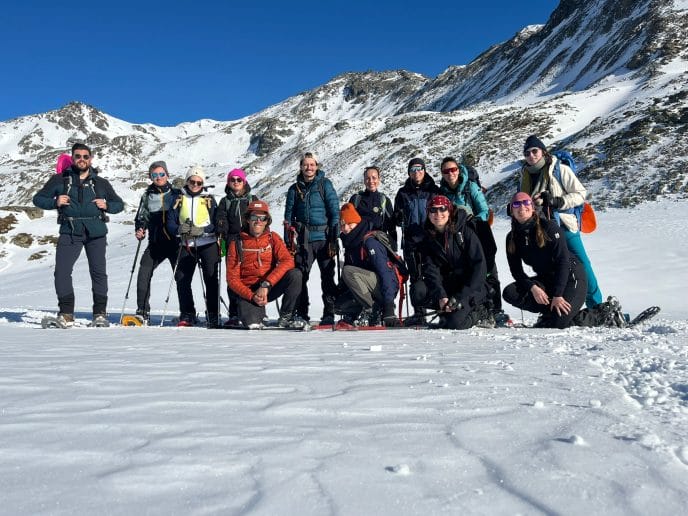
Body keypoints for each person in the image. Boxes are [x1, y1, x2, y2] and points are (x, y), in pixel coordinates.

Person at [32, 143, 124, 327]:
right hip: (70, 230)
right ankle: (66, 314)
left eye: (85, 156)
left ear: (91, 159)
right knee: (62, 272)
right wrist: (55, 202)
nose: (81, 159)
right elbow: (38, 199)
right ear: (72, 158)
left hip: (96, 232)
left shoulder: (101, 183)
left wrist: (107, 206)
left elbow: (119, 204)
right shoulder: (60, 180)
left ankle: (100, 314)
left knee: (98, 273)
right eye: (78, 156)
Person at [519, 135, 602, 308]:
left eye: (535, 151)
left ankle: (597, 307)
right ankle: (564, 308)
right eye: (527, 153)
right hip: (542, 231)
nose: (531, 156)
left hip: (564, 225)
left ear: (543, 151)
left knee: (582, 264)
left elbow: (580, 194)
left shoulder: (559, 170)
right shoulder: (525, 175)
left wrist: (557, 201)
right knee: (556, 270)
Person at [502, 192, 587, 328]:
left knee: (559, 323)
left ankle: (600, 314)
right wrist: (532, 287)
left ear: (533, 207)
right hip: (547, 280)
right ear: (511, 209)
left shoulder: (549, 227)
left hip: (571, 277)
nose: (522, 207)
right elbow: (516, 271)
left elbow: (563, 262)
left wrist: (558, 295)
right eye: (516, 204)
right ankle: (550, 313)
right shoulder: (512, 237)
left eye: (526, 202)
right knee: (510, 292)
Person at [438, 156, 505, 322]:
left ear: (458, 170)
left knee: (488, 269)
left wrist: (470, 221)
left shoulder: (471, 187)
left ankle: (496, 309)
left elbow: (484, 210)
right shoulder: (443, 192)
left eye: (453, 169)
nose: (450, 173)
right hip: (458, 238)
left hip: (478, 233)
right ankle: (477, 306)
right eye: (446, 171)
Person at [411, 195, 490, 329]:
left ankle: (480, 312)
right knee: (418, 290)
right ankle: (448, 310)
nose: (438, 214)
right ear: (428, 213)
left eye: (442, 209)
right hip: (449, 286)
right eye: (433, 210)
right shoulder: (428, 237)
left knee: (455, 323)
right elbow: (431, 270)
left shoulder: (465, 232)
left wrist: (460, 296)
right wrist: (441, 296)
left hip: (470, 287)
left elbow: (479, 268)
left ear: (449, 211)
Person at [226, 200, 304, 329]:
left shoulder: (272, 238)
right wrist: (252, 296)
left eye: (262, 218)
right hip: (249, 291)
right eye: (254, 217)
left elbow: (288, 261)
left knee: (295, 274)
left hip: (269, 287)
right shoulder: (236, 243)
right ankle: (255, 314)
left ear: (267, 221)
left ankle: (286, 317)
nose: (258, 221)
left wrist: (266, 284)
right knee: (253, 324)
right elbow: (232, 279)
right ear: (247, 220)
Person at [283, 152, 340, 325]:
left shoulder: (325, 184)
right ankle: (302, 313)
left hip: (324, 237)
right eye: (305, 164)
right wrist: (288, 239)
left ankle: (329, 313)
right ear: (301, 166)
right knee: (301, 276)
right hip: (303, 240)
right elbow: (288, 216)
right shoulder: (294, 189)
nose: (309, 167)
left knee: (328, 277)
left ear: (317, 166)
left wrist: (333, 237)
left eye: (312, 164)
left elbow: (334, 211)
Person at [166, 165, 220, 327]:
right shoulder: (177, 198)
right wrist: (178, 229)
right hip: (186, 244)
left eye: (199, 182)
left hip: (207, 243)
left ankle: (213, 313)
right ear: (187, 181)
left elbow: (217, 222)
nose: (195, 185)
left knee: (211, 279)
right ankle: (187, 313)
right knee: (182, 279)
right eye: (192, 182)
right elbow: (170, 221)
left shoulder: (209, 199)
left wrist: (203, 230)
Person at [335, 203, 402, 327]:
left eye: (350, 224)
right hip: (369, 283)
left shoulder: (369, 242)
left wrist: (389, 306)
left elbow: (385, 272)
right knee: (339, 305)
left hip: (386, 285)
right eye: (343, 225)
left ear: (357, 222)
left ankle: (373, 310)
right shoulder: (350, 243)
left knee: (348, 271)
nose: (346, 228)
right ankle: (361, 311)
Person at [132, 161, 181, 324]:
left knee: (182, 277)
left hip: (175, 244)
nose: (158, 177)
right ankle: (142, 311)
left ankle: (187, 313)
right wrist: (140, 228)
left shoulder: (177, 194)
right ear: (150, 177)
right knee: (144, 272)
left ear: (167, 175)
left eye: (161, 174)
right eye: (155, 175)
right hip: (155, 244)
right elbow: (141, 217)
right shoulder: (147, 196)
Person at [393, 157, 440, 325]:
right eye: (413, 169)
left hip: (431, 241)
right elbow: (397, 219)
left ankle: (440, 308)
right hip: (411, 242)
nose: (417, 172)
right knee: (415, 278)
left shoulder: (434, 190)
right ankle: (419, 313)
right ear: (409, 173)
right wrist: (398, 217)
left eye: (420, 168)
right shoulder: (403, 193)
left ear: (425, 170)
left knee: (435, 275)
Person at [215, 168, 258, 326]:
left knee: (252, 275)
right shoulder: (225, 201)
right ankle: (234, 313)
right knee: (233, 278)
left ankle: (254, 311)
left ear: (244, 181)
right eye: (232, 180)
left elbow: (261, 217)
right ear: (228, 182)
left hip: (250, 241)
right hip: (232, 241)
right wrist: (221, 231)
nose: (236, 182)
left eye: (239, 180)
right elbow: (220, 219)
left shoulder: (252, 199)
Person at [348, 166, 397, 251]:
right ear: (364, 180)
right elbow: (348, 224)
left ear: (378, 179)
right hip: (359, 247)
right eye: (367, 178)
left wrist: (393, 247)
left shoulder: (385, 200)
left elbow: (391, 227)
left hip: (380, 246)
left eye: (374, 178)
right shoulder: (356, 200)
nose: (371, 181)